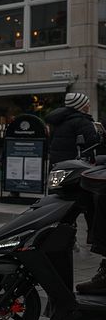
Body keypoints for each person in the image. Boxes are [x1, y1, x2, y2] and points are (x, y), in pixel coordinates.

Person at [47, 92, 100, 244]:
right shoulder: (82, 121)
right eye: (87, 104)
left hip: (60, 169)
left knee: (63, 204)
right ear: (80, 106)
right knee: (90, 203)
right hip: (78, 169)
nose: (89, 106)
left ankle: (63, 236)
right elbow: (92, 145)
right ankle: (94, 237)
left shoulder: (58, 121)